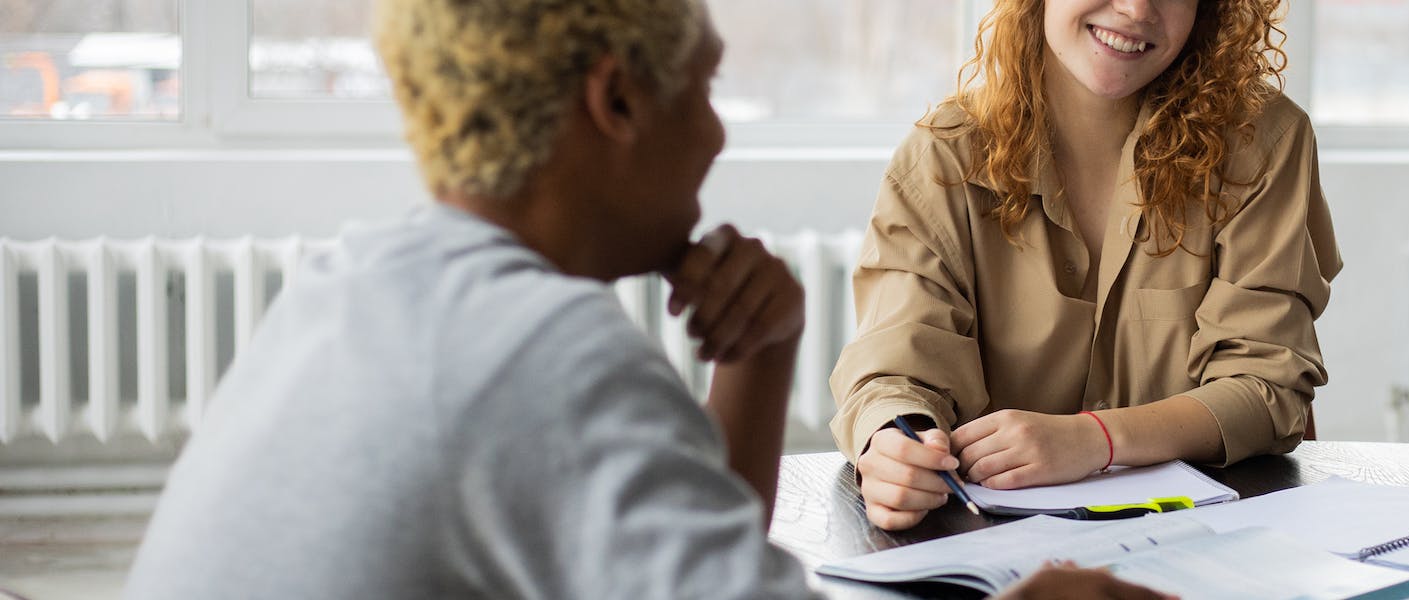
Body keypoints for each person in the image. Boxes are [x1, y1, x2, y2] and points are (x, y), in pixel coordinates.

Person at [121, 0, 1161, 597]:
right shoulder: (539, 353)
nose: (714, 136)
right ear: (616, 99)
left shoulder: (362, 279)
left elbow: (693, 551)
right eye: (702, 91)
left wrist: (758, 358)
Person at [832, 0, 1341, 531]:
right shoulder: (942, 158)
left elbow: (1267, 385)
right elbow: (897, 366)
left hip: (1207, 543)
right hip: (987, 548)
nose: (1137, 8)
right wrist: (896, 444)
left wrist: (1096, 437)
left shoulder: (1265, 142)